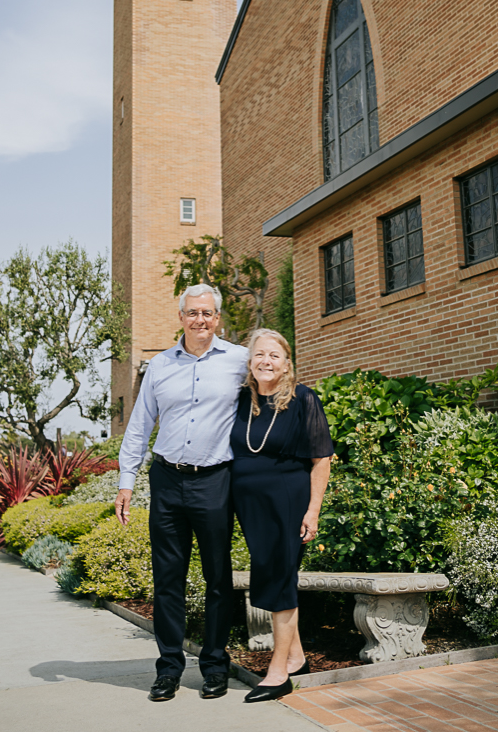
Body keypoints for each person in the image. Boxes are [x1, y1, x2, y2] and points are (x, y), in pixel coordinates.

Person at [115, 283, 249, 703]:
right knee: (167, 580)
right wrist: (126, 480)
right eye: (193, 313)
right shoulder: (158, 367)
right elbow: (139, 425)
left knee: (217, 578)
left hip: (216, 480)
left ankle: (213, 666)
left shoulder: (239, 360)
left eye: (207, 313)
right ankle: (169, 669)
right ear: (181, 317)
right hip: (168, 480)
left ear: (218, 317)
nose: (200, 320)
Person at [230, 328, 333, 703]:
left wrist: (313, 510)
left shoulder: (303, 399)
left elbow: (322, 458)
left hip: (287, 503)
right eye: (260, 355)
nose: (266, 361)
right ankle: (297, 657)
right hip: (251, 508)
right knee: (274, 573)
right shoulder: (243, 400)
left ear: (287, 362)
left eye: (274, 355)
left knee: (280, 579)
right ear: (250, 362)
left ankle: (278, 674)